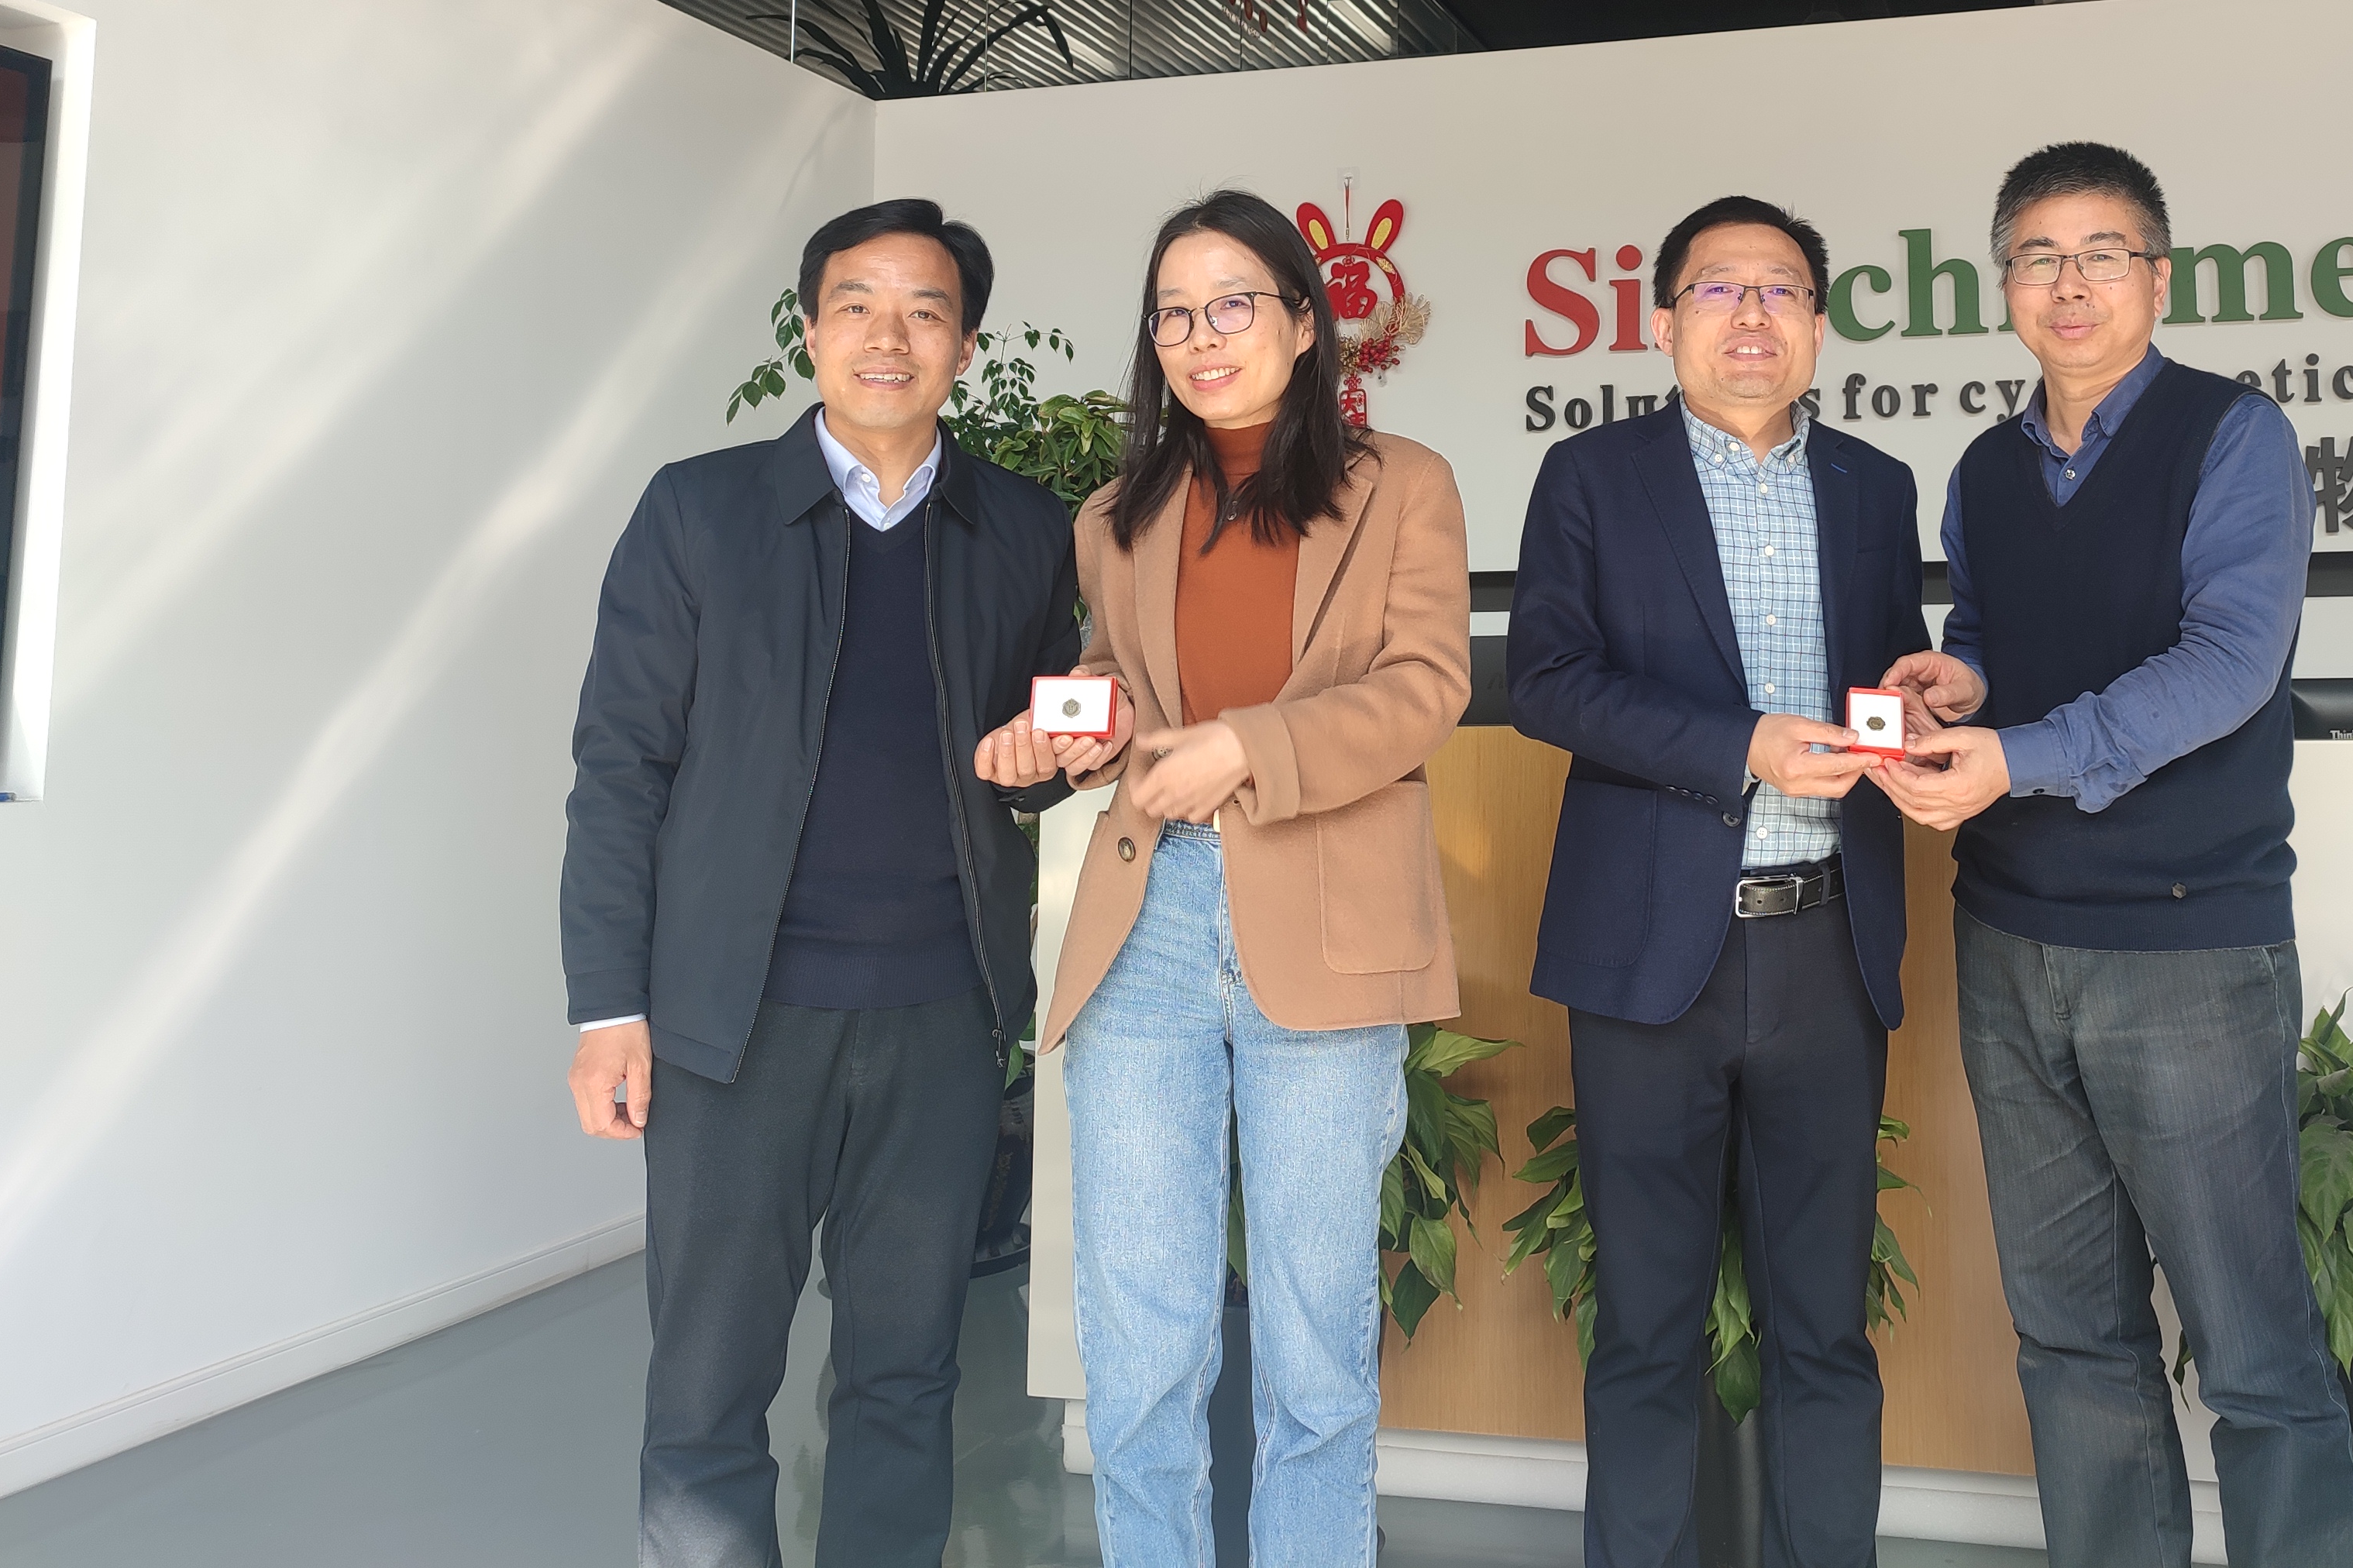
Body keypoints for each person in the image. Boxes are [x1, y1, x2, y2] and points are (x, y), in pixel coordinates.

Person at [559, 198, 1082, 1568]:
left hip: (940, 1019)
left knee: (906, 1378)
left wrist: (1053, 761)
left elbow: (1028, 765)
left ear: (965, 345)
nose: (888, 336)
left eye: (924, 311)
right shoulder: (700, 512)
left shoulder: (1026, 530)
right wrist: (609, 1009)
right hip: (734, 1025)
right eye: (857, 305)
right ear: (809, 331)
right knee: (707, 1390)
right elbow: (619, 769)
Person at [1872, 141, 2353, 1568]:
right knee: (2071, 1339)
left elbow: (2230, 662)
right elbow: (1995, 639)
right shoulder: (1985, 468)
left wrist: (2017, 754)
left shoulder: (2234, 436)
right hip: (2009, 935)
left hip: (2186, 945)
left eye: (2101, 255)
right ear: (2004, 286)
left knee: (2252, 1348)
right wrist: (1959, 683)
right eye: (2039, 257)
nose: (2068, 284)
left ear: (2159, 278)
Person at [975, 188, 1470, 1568]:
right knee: (1141, 1337)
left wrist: (1250, 747)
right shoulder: (1115, 514)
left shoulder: (1402, 486)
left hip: (1328, 919)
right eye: (1174, 314)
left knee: (1316, 1349)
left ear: (1304, 324)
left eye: (1233, 305)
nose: (1202, 337)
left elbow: (1427, 687)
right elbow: (1119, 682)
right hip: (1147, 919)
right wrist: (1070, 732)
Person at [1508, 195, 1928, 1568]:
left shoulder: (1873, 485)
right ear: (1663, 320)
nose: (1753, 315)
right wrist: (1741, 745)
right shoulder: (1592, 476)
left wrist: (1921, 701)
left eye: (1782, 289)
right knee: (1645, 1329)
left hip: (1828, 950)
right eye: (1719, 288)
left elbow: (1883, 678)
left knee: (1826, 1330)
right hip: (1650, 957)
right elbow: (1546, 682)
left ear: (1818, 323)